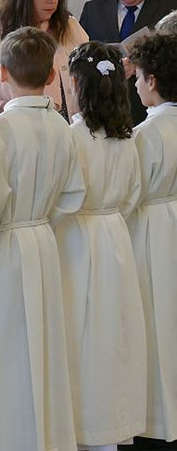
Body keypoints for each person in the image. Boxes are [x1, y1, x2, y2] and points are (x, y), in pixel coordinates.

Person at [0, 27, 84, 451]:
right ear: (53, 75)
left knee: (3, 349)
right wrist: (38, 220)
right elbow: (72, 195)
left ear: (0, 71)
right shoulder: (63, 129)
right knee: (43, 345)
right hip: (41, 242)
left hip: (1, 250)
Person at [57, 41, 146, 451]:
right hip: (115, 240)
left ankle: (82, 427)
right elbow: (131, 196)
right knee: (112, 335)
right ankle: (110, 425)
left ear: (75, 84)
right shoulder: (125, 139)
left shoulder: (71, 137)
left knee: (81, 336)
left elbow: (59, 199)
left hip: (77, 243)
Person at [126, 33, 177, 447]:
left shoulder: (147, 133)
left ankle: (156, 416)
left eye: (139, 78)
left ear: (154, 80)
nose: (136, 85)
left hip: (152, 228)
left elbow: (130, 191)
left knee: (155, 320)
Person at [79, 0, 177, 125]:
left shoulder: (169, 10)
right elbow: (80, 58)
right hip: (103, 109)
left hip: (151, 112)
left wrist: (139, 65)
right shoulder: (93, 10)